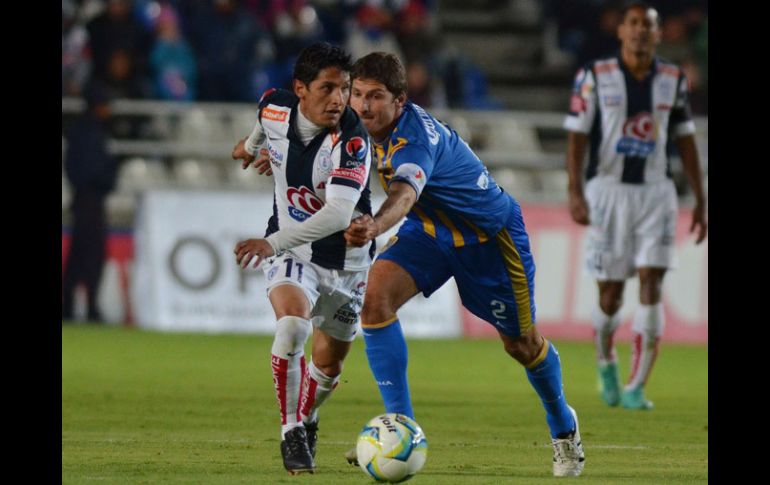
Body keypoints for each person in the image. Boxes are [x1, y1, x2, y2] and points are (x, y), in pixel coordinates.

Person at [343, 52, 585, 477]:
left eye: (375, 96)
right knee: (375, 301)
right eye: (357, 94)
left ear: (399, 100)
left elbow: (402, 196)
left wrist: (375, 225)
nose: (363, 106)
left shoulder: (415, 139)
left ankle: (563, 427)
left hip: (490, 240)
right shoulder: (361, 126)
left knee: (521, 345)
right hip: (430, 233)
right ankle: (400, 430)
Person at [229, 42, 374, 475]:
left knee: (328, 368)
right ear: (300, 90)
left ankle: (308, 415)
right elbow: (262, 119)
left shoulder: (351, 140)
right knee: (292, 326)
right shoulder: (275, 106)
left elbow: (337, 213)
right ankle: (292, 430)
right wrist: (250, 146)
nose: (340, 99)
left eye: (345, 89)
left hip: (348, 264)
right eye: (328, 88)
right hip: (295, 251)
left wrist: (268, 244)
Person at [563, 1, 707, 411]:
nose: (641, 31)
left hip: (656, 193)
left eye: (649, 25)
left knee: (651, 284)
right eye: (634, 24)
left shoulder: (673, 79)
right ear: (621, 31)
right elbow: (576, 136)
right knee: (610, 294)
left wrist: (700, 197)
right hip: (608, 192)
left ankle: (636, 387)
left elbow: (684, 139)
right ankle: (606, 356)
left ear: (659, 34)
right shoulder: (595, 76)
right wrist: (575, 190)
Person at [62, 82, 119, 322]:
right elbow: (94, 171)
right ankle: (91, 308)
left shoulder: (80, 131)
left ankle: (69, 306)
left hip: (84, 200)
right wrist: (111, 171)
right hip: (90, 202)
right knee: (92, 257)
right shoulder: (92, 134)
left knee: (78, 257)